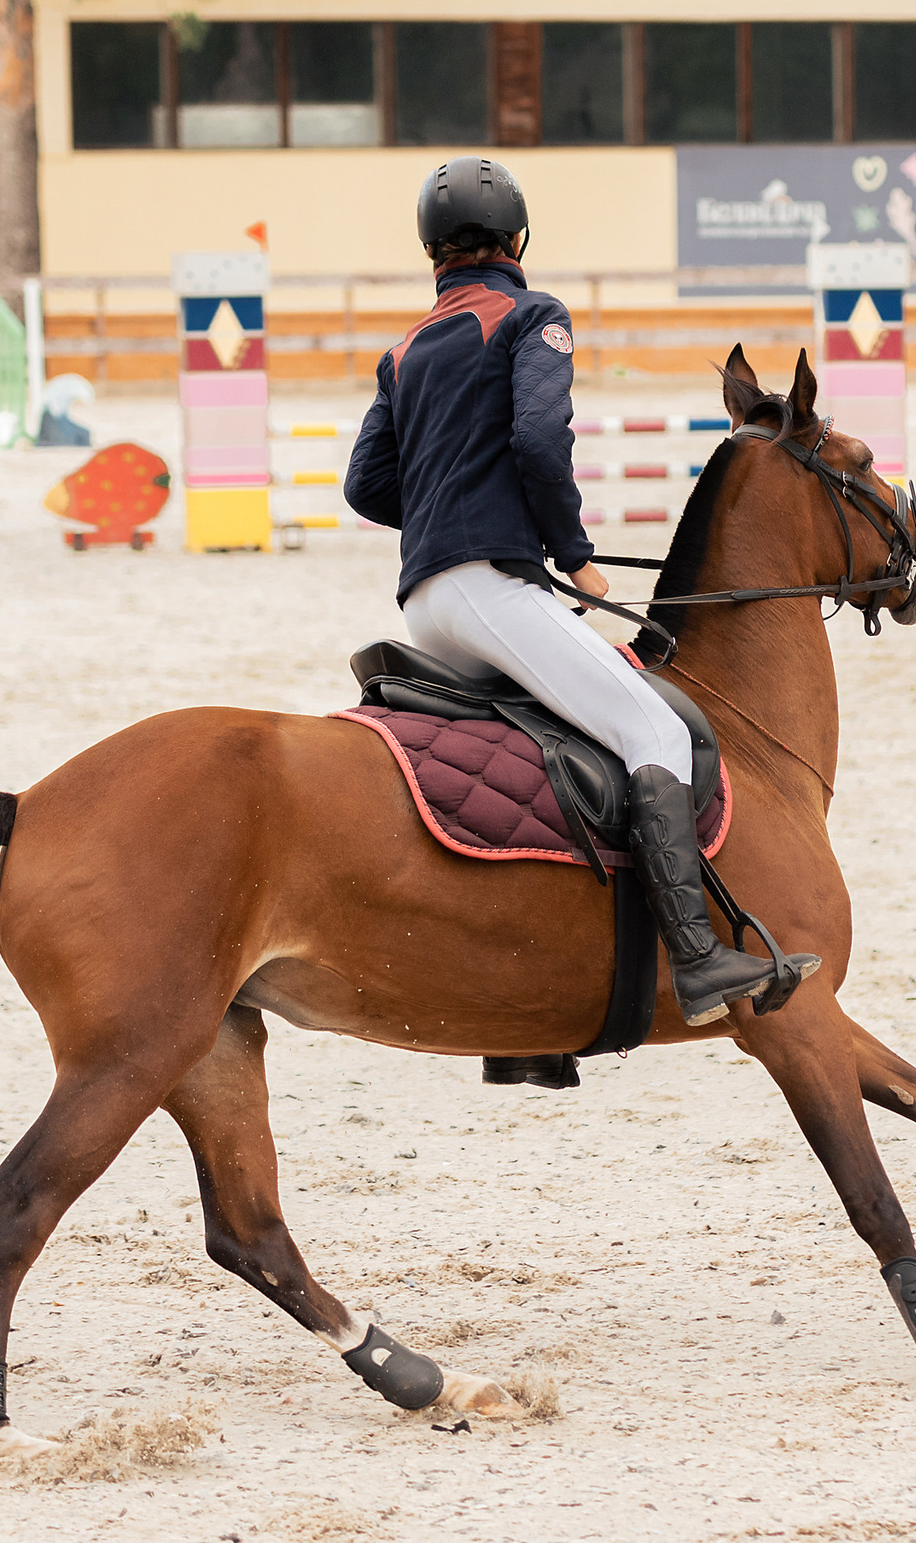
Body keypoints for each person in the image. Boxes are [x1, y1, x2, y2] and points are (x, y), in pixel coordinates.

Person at [343, 156, 818, 1028]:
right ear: (518, 240)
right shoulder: (534, 317)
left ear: (431, 253)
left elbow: (365, 488)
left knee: (554, 743)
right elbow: (536, 438)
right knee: (652, 728)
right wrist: (573, 553)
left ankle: (543, 1002)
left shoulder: (402, 350)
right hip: (494, 589)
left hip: (425, 605)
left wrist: (448, 500)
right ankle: (700, 959)